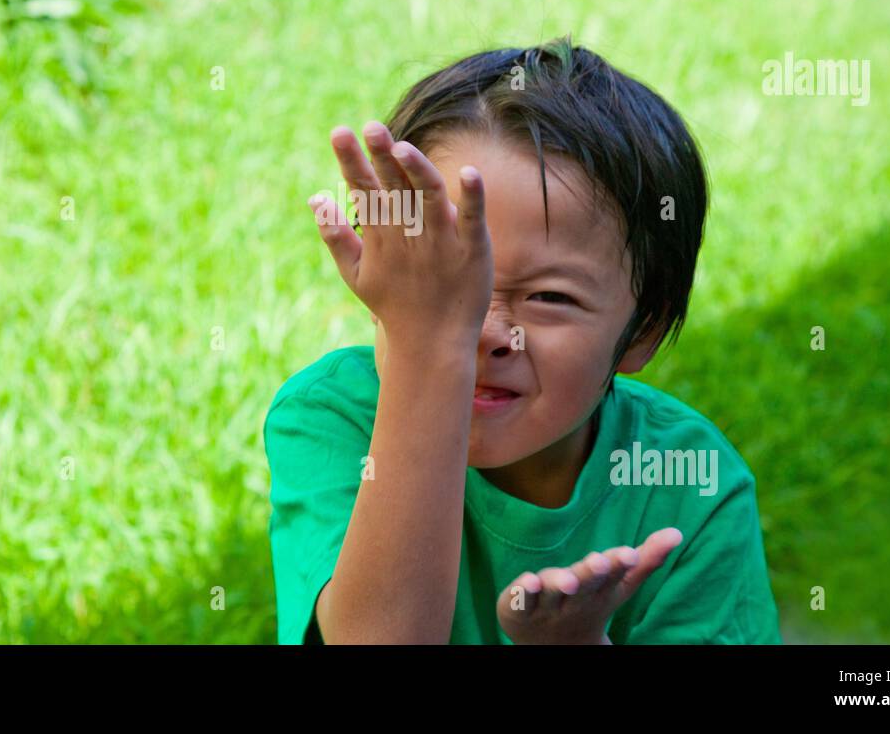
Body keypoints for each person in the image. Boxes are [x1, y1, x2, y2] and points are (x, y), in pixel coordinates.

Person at [265, 36, 781, 644]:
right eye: (445, 282)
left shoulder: (687, 485)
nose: (483, 334)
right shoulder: (330, 420)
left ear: (643, 331)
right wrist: (428, 355)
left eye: (549, 298)